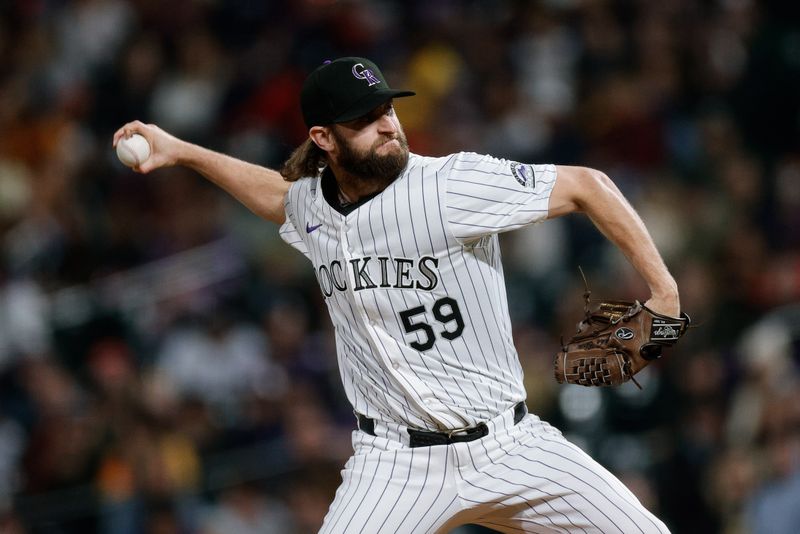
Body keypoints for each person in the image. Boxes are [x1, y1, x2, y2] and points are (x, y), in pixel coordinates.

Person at [114, 57, 679, 533]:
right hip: (394, 465)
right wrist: (182, 151)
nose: (387, 124)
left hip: (511, 445)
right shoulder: (313, 204)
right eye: (365, 118)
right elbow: (277, 197)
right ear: (323, 139)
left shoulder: (449, 185)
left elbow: (588, 185)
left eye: (387, 107)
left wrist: (664, 292)